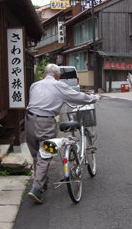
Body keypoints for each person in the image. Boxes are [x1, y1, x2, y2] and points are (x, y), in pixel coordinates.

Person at [25, 63, 101, 204]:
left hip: (28, 120)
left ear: (43, 75)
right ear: (58, 76)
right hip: (45, 123)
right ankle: (36, 189)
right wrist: (94, 98)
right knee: (45, 154)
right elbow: (79, 97)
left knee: (36, 153)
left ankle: (43, 181)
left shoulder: (34, 85)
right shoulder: (59, 86)